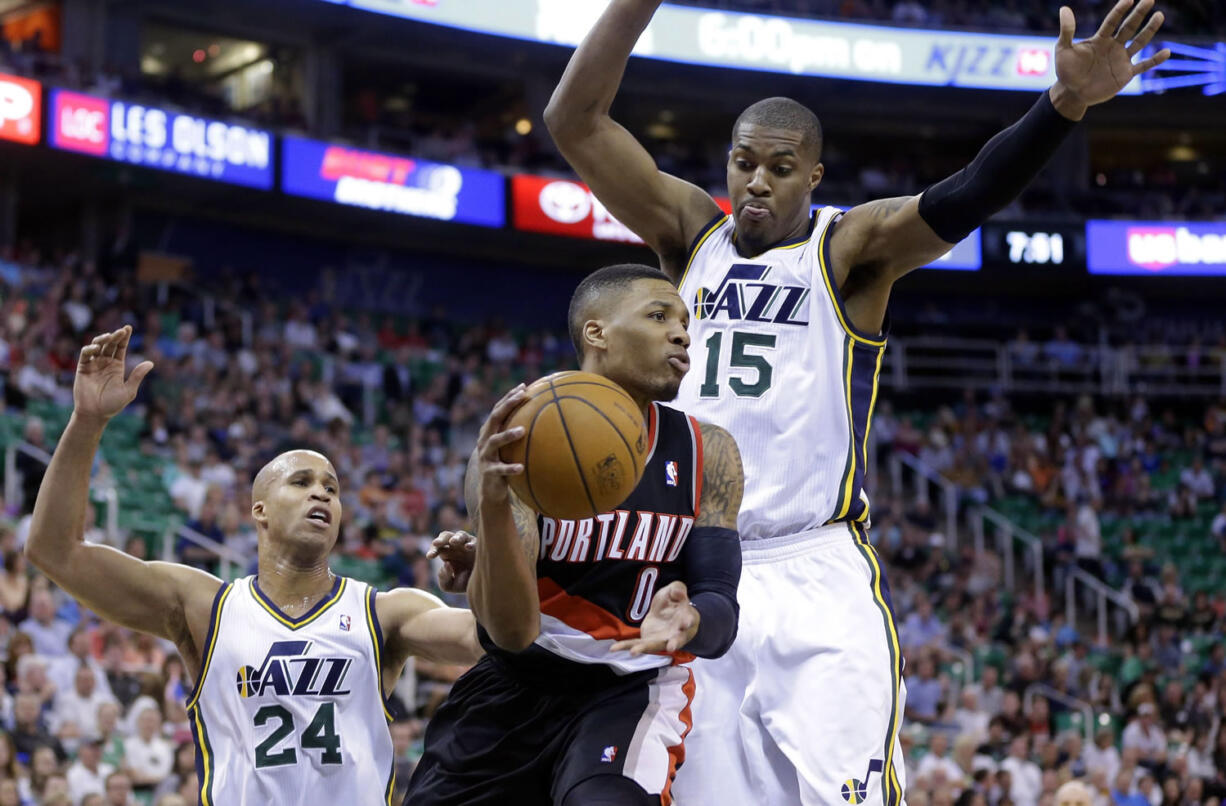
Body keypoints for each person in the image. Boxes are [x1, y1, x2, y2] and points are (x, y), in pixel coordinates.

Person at [544, 1, 1169, 803]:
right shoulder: (688, 233)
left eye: (778, 166)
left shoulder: (848, 251)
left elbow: (963, 197)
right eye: (743, 162)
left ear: (814, 176)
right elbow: (574, 120)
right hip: (702, 569)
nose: (756, 182)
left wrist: (1062, 106)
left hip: (817, 571)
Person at [24, 326, 499, 805]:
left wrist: (486, 577)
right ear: (260, 510)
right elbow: (55, 551)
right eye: (302, 482)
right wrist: (87, 421)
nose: (322, 493)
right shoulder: (206, 606)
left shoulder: (386, 612)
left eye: (332, 488)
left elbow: (499, 638)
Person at [406, 265, 744, 805]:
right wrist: (495, 522)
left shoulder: (710, 450)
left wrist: (692, 619)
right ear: (597, 333)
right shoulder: (518, 440)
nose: (682, 333)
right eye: (659, 317)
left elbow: (720, 615)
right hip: (516, 679)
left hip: (631, 687)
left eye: (685, 322)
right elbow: (511, 633)